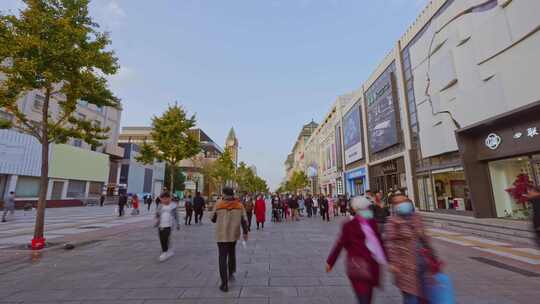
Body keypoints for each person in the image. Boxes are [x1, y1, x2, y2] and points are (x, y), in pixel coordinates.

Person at [326, 196, 387, 304]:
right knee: (366, 295)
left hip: (358, 263)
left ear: (354, 209)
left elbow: (340, 244)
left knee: (364, 294)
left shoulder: (352, 225)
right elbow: (380, 242)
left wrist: (330, 262)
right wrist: (387, 258)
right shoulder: (370, 222)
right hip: (369, 263)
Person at [385, 194, 435, 304]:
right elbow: (390, 244)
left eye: (405, 200)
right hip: (405, 266)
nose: (403, 203)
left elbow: (425, 239)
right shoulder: (392, 222)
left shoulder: (417, 218)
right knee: (410, 297)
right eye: (399, 202)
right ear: (394, 206)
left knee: (425, 296)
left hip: (422, 263)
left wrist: (433, 257)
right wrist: (393, 263)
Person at [211, 187, 249, 292]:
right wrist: (245, 232)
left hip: (221, 234)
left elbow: (213, 219)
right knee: (232, 252)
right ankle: (231, 271)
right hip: (233, 234)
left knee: (222, 257)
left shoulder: (219, 204)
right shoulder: (239, 205)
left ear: (223, 194)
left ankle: (224, 284)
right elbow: (244, 220)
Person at [154, 192, 180, 262]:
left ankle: (165, 252)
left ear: (169, 198)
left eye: (166, 198)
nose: (164, 200)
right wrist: (156, 219)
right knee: (162, 238)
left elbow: (176, 216)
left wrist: (178, 224)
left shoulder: (173, 206)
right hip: (161, 225)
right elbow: (157, 214)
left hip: (169, 225)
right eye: (162, 199)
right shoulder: (160, 205)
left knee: (165, 237)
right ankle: (168, 250)